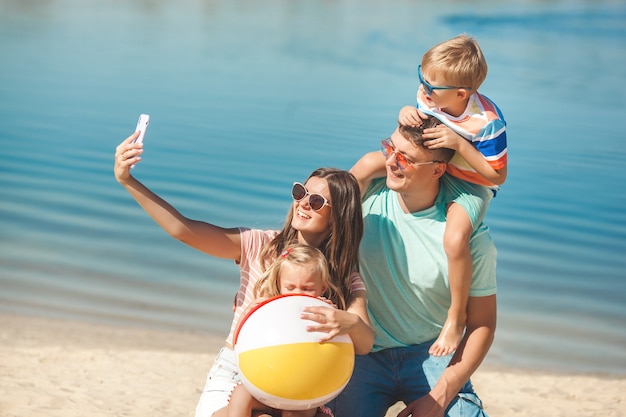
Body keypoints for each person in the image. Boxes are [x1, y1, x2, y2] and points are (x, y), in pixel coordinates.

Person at [113, 132, 375, 417]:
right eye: (300, 193)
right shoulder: (260, 246)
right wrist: (128, 180)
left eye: (316, 201)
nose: (302, 203)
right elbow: (183, 230)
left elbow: (365, 343)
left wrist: (347, 321)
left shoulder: (342, 276)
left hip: (302, 385)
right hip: (239, 372)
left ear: (339, 215)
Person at [331, 121, 497, 417]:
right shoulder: (365, 197)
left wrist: (441, 395)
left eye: (405, 158)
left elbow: (482, 324)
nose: (391, 162)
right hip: (362, 350)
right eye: (389, 148)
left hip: (431, 352)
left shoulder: (468, 240)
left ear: (437, 170)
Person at [354, 34, 506, 356]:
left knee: (454, 240)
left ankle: (454, 317)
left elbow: (498, 175)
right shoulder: (432, 93)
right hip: (435, 165)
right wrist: (406, 110)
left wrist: (459, 144)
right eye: (421, 78)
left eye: (430, 85)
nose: (423, 88)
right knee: (368, 164)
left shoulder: (486, 123)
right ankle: (328, 228)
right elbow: (414, 127)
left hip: (472, 183)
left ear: (461, 94)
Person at [228, 244, 342, 417]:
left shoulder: (324, 313)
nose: (297, 293)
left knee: (293, 411)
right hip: (265, 385)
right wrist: (247, 315)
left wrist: (334, 318)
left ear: (323, 288)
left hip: (302, 390)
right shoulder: (270, 309)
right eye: (290, 287)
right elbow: (240, 343)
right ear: (279, 284)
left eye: (307, 289)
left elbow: (337, 351)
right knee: (240, 395)